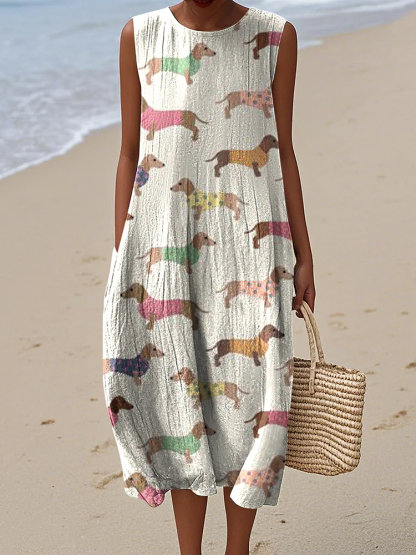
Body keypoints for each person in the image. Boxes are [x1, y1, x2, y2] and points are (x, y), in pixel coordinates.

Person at [104, 1, 315, 554]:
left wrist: (304, 254)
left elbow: (284, 153)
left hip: (252, 253)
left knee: (252, 402)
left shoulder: (274, 37)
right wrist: (123, 251)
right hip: (163, 250)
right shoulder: (140, 35)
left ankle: (237, 550)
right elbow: (128, 153)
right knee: (181, 400)